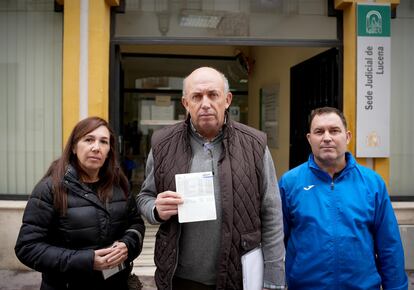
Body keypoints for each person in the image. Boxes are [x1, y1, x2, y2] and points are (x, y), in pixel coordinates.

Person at [137, 67, 285, 290]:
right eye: (196, 96)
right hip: (180, 277)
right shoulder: (162, 145)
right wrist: (155, 209)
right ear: (186, 103)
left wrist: (273, 278)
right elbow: (144, 197)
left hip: (239, 276)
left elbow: (272, 212)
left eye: (213, 95)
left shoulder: (255, 145)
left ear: (227, 100)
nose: (205, 103)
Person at [279, 107, 408, 290]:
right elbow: (276, 243)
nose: (327, 137)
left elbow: (389, 247)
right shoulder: (290, 183)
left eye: (334, 130)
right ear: (309, 139)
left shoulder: (372, 184)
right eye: (319, 131)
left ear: (347, 136)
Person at [15, 116, 145, 290]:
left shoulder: (119, 184)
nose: (96, 147)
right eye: (89, 140)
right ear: (74, 147)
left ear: (109, 151)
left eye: (103, 142)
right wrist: (87, 261)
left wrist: (127, 245)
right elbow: (27, 248)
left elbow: (136, 224)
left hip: (116, 283)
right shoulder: (50, 188)